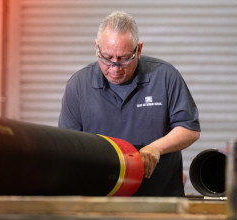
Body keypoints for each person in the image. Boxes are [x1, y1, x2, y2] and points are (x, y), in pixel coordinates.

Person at [58, 11, 200, 197]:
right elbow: (69, 146)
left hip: (161, 199)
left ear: (138, 50)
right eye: (107, 58)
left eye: (124, 59)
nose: (115, 68)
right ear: (96, 47)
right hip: (101, 199)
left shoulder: (165, 77)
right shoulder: (78, 86)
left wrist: (156, 148)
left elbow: (190, 128)